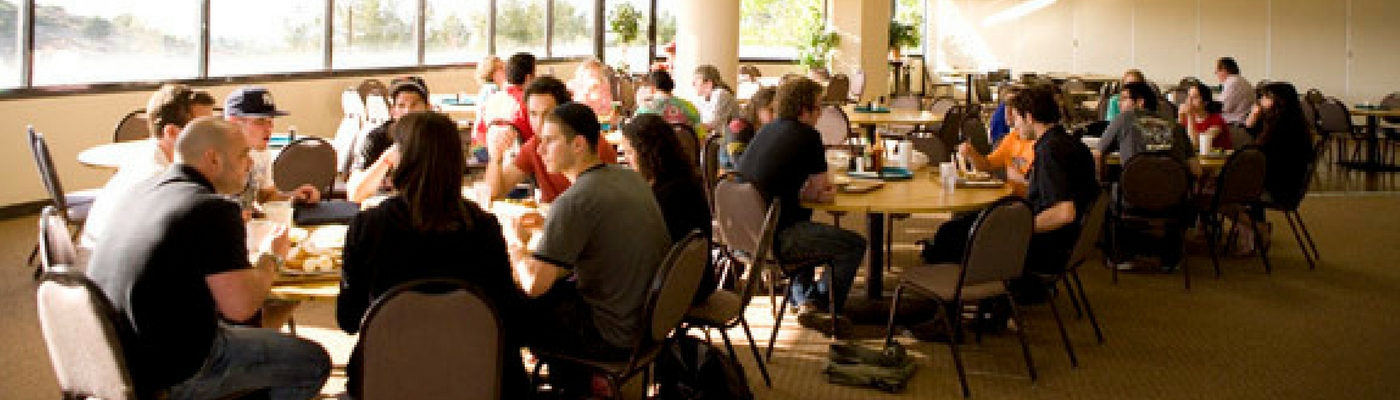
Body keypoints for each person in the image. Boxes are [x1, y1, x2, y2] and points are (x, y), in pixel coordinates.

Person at [87, 117, 331, 399]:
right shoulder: (213, 209)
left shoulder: (138, 192)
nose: (250, 164)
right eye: (243, 155)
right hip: (174, 369)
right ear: (213, 159)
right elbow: (241, 307)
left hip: (117, 357)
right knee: (313, 362)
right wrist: (272, 257)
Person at [337, 112, 528, 397]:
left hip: (389, 377)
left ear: (402, 160)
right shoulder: (483, 227)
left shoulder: (369, 227)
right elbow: (509, 317)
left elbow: (350, 319)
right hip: (478, 378)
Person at [509, 103, 671, 396]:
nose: (539, 149)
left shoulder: (574, 201)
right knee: (556, 292)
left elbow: (534, 283)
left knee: (508, 308)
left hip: (613, 334)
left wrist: (516, 246)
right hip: (649, 322)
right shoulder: (629, 178)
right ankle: (578, 383)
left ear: (579, 144)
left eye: (549, 141)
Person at [926, 85, 1099, 301]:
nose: (1014, 125)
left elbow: (1064, 213)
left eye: (1016, 118)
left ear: (1029, 117)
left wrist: (1017, 231)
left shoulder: (1049, 152)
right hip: (1068, 243)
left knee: (950, 236)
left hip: (1048, 246)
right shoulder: (1072, 144)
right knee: (963, 227)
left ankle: (944, 308)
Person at [737, 77, 866, 334]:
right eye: (818, 108)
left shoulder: (767, 131)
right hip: (776, 237)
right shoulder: (808, 136)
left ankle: (804, 299)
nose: (820, 114)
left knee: (803, 224)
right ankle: (823, 306)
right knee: (853, 244)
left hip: (746, 234)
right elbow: (821, 190)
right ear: (804, 110)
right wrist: (824, 193)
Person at [82, 84, 211, 250]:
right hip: (107, 263)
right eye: (203, 129)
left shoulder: (145, 157)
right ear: (171, 132)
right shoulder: (158, 179)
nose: (212, 136)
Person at [618, 113, 715, 303]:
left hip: (680, 290)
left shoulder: (671, 195)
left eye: (629, 153)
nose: (626, 160)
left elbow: (648, 250)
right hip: (696, 280)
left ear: (648, 153)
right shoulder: (678, 180)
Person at [482, 76, 619, 204]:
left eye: (547, 113)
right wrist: (496, 158)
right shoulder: (533, 146)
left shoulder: (589, 145)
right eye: (533, 114)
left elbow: (600, 205)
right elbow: (494, 195)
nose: (539, 123)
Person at [1235, 82, 1315, 254]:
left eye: (1265, 98)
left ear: (1278, 101)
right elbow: (1249, 137)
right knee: (1228, 188)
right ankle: (1254, 232)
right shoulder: (1277, 122)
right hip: (1276, 179)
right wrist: (1253, 119)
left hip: (1281, 186)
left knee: (1222, 196)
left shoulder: (1286, 129)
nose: (1260, 101)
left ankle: (1258, 228)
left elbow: (1260, 154)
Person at [224, 86, 321, 209]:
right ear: (234, 122)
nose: (268, 129)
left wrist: (293, 196)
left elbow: (265, 196)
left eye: (270, 121)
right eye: (260, 121)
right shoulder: (218, 159)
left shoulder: (262, 152)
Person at [344, 76, 433, 202]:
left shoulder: (438, 138)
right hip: (384, 208)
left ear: (428, 108)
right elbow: (354, 194)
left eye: (414, 105)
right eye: (401, 105)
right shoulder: (376, 138)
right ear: (392, 111)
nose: (408, 111)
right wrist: (387, 159)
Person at [1096, 81, 1200, 174]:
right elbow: (1196, 170)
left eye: (1123, 99)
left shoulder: (1124, 118)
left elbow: (1099, 154)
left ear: (1140, 102)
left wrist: (1102, 182)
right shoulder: (1177, 126)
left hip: (1135, 191)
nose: (1119, 104)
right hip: (1174, 192)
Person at [959, 85, 1035, 196]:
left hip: (1027, 206)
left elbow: (1042, 187)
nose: (1008, 115)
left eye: (1013, 111)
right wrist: (972, 154)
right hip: (1008, 200)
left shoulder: (1041, 146)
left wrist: (1017, 177)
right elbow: (987, 166)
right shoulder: (1011, 138)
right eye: (1006, 109)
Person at [472, 53, 537, 149]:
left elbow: (480, 132)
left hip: (491, 152)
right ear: (528, 78)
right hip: (519, 158)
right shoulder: (527, 103)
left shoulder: (492, 99)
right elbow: (534, 137)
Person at [635, 69, 707, 139]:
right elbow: (701, 138)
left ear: (652, 88)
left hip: (656, 151)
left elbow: (632, 136)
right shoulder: (690, 107)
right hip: (685, 151)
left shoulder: (644, 109)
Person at [725, 86, 776, 166]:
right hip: (731, 175)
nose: (776, 116)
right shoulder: (737, 126)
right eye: (771, 110)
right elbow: (740, 165)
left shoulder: (767, 128)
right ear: (758, 108)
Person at [1179, 82, 1232, 151]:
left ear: (1205, 102)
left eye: (1194, 97)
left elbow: (1196, 145)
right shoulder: (1187, 118)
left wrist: (1190, 116)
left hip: (1218, 159)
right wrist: (1180, 116)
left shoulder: (1216, 121)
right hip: (1197, 158)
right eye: (1188, 96)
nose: (1189, 101)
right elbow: (1179, 142)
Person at [1216, 57, 1255, 124]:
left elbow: (1223, 107)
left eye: (1217, 71)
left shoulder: (1232, 82)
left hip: (1235, 124)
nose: (1216, 74)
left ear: (1224, 70)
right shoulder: (1240, 80)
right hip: (1241, 120)